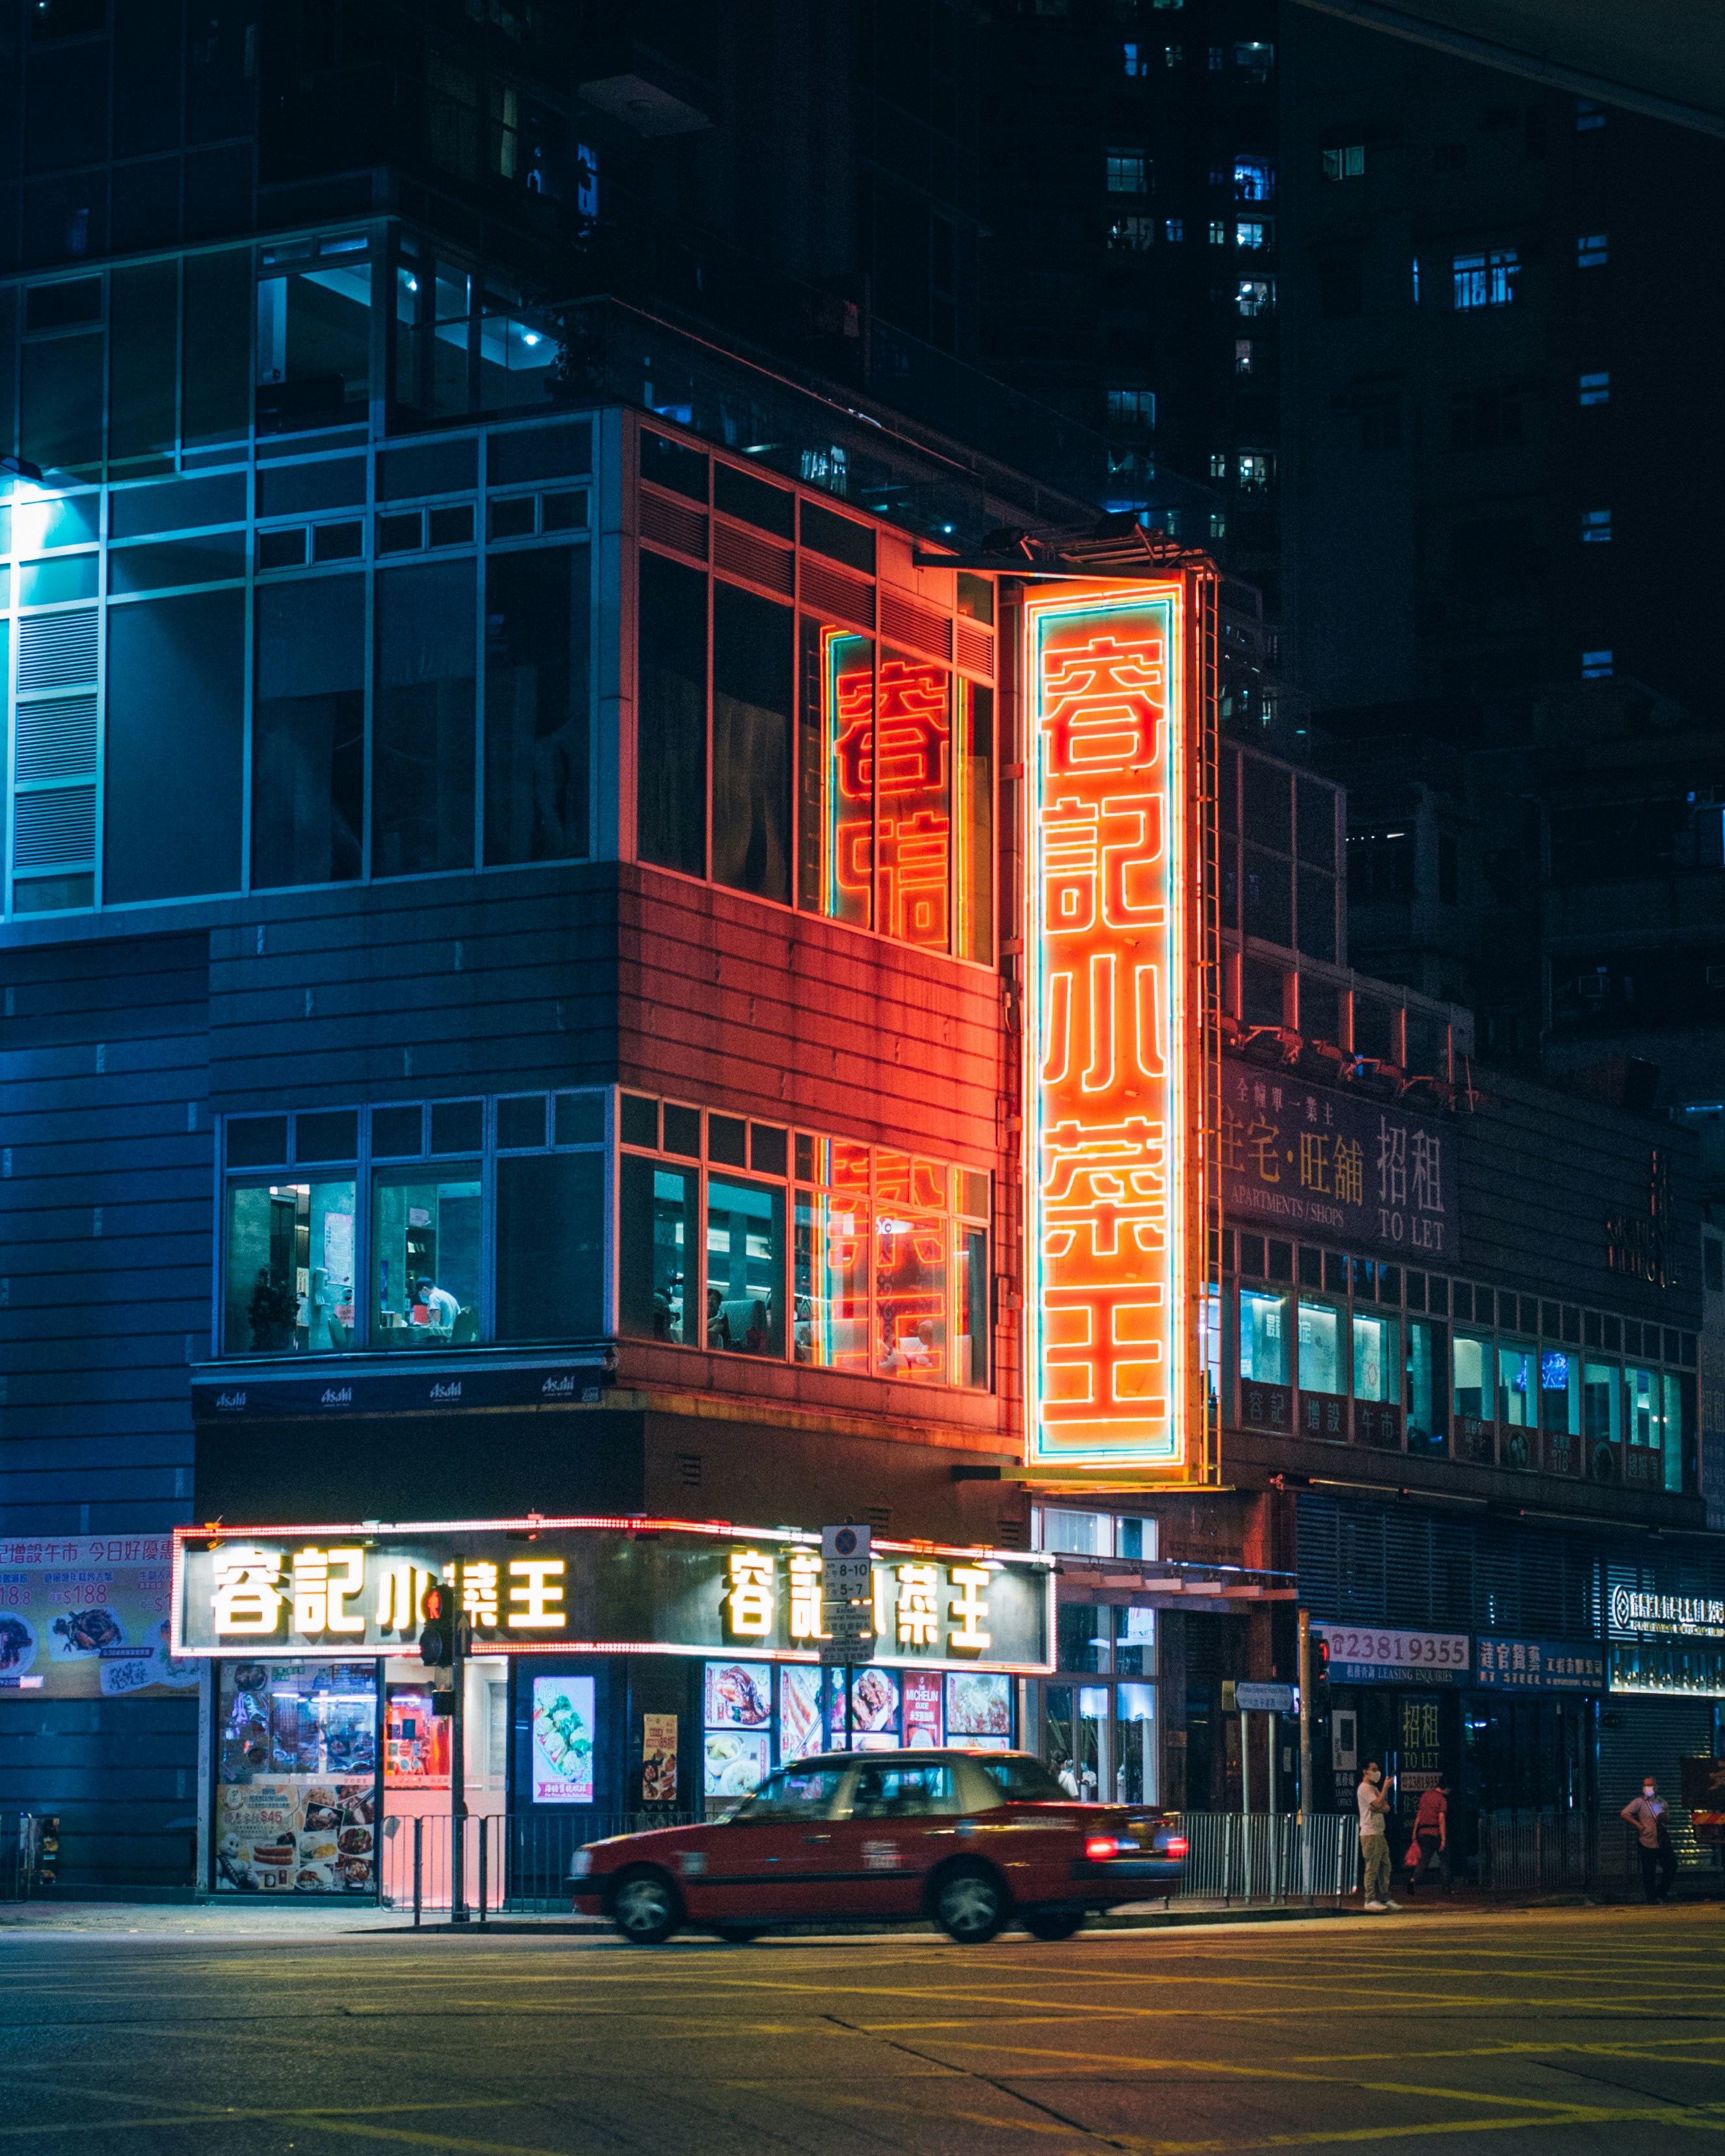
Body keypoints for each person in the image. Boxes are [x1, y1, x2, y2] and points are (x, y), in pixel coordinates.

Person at [1622, 1776, 1678, 1902]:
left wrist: (1665, 1819)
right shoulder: (1639, 1802)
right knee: (1649, 1871)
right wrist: (1639, 1825)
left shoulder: (1662, 1802)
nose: (1648, 1788)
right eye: (1645, 1785)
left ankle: (1661, 1891)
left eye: (1651, 1785)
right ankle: (1651, 1898)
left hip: (1662, 1840)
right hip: (1646, 1841)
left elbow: (1669, 1820)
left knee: (1672, 1866)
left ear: (1656, 1787)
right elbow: (1625, 1813)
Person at [1358, 1759, 1397, 1911]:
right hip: (1370, 1833)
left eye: (1377, 1769)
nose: (1376, 1772)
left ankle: (1385, 1897)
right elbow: (1379, 1805)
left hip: (1379, 1832)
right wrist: (1386, 1788)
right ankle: (1370, 1899)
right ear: (1365, 1771)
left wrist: (1379, 1805)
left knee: (1385, 1866)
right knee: (1372, 1867)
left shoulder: (1373, 1789)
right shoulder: (1364, 1788)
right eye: (1373, 1769)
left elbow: (1385, 1807)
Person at [1406, 1776, 1451, 1896]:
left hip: (1423, 1833)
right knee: (1444, 1860)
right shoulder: (1442, 1800)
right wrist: (1444, 1839)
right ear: (1446, 1789)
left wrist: (1414, 1832)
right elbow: (1441, 1819)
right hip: (1435, 1833)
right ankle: (1446, 1887)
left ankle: (1413, 1880)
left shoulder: (1425, 1796)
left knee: (1424, 1860)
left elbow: (1419, 1816)